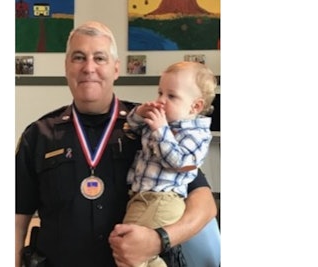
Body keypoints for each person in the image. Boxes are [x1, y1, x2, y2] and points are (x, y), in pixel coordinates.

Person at [15, 21, 220, 267]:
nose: (88, 67)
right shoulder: (38, 135)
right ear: (67, 67)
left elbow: (205, 205)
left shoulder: (151, 122)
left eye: (99, 58)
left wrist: (160, 240)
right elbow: (17, 219)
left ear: (116, 69)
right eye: (78, 57)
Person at [121, 61, 216, 267]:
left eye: (171, 96)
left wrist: (161, 130)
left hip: (163, 199)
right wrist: (140, 113)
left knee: (127, 248)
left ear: (196, 106)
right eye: (160, 92)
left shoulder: (196, 133)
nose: (161, 100)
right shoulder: (162, 121)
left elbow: (180, 162)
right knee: (137, 255)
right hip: (142, 197)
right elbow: (132, 128)